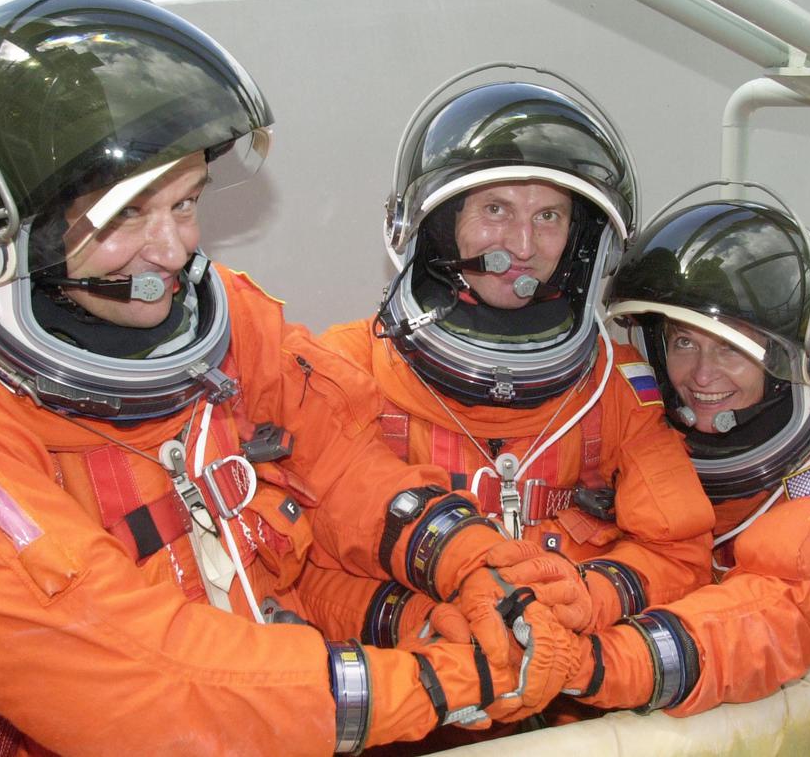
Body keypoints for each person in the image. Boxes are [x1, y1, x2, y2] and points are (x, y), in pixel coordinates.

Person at [0, 0, 578, 756]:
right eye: (127, 216)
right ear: (10, 236)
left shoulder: (231, 323)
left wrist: (478, 568)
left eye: (186, 201)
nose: (174, 246)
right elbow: (135, 677)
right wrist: (433, 684)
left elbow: (346, 473)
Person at [294, 74, 716, 720]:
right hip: (414, 705)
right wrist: (412, 619)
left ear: (578, 240)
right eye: (495, 210)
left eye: (548, 216)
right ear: (439, 225)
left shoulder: (614, 385)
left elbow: (680, 550)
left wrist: (589, 596)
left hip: (568, 703)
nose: (523, 247)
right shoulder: (349, 366)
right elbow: (301, 566)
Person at [569, 194, 810, 715]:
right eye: (684, 344)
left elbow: (770, 615)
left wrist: (598, 663)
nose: (702, 377)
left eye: (731, 348)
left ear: (785, 363)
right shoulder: (655, 442)